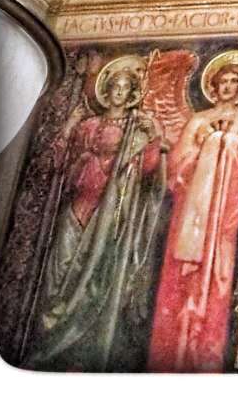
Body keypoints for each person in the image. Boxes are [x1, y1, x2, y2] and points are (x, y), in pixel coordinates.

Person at [29, 57, 167, 371]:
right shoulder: (88, 125)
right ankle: (49, 340)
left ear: (131, 93)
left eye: (125, 88)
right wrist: (71, 123)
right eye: (114, 86)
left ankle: (80, 347)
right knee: (61, 268)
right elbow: (56, 160)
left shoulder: (135, 128)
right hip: (79, 202)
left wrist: (155, 137)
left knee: (96, 272)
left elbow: (149, 169)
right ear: (106, 90)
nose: (118, 92)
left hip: (108, 213)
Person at [148, 53, 238, 372]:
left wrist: (226, 142)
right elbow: (176, 167)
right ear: (212, 86)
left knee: (220, 265)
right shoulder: (197, 120)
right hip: (192, 209)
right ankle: (176, 348)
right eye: (222, 82)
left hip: (226, 204)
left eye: (233, 82)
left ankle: (207, 351)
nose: (227, 87)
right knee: (184, 271)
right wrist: (203, 146)